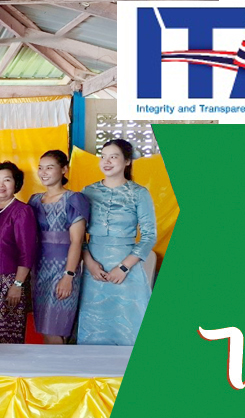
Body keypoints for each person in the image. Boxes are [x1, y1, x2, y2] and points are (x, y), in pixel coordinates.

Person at [78, 139, 157, 346]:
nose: (107, 161)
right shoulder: (87, 192)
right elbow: (79, 235)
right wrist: (90, 263)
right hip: (94, 270)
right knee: (93, 331)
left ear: (127, 161)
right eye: (103, 157)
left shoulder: (139, 193)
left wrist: (123, 267)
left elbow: (149, 236)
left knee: (129, 331)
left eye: (113, 157)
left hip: (127, 270)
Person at [28, 150, 89, 344]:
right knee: (44, 328)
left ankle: (62, 364)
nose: (43, 172)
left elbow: (77, 241)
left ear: (64, 170)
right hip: (38, 271)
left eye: (49, 167)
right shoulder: (34, 200)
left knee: (56, 327)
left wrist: (68, 276)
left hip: (63, 269)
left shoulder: (74, 199)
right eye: (40, 168)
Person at [0, 161, 39, 344]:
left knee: (7, 336)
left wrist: (18, 284)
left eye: (7, 180)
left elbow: (27, 252)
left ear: (16, 183)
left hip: (10, 282)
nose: (1, 184)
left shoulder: (22, 211)